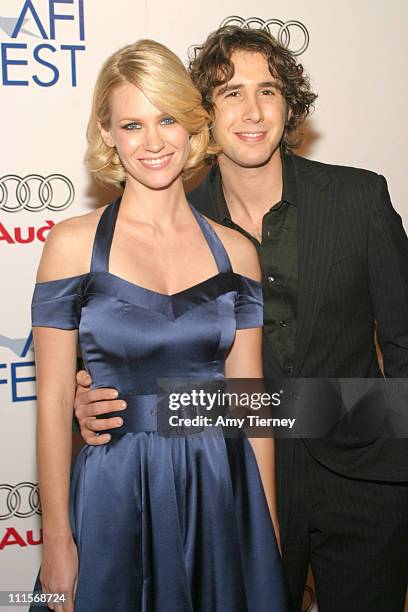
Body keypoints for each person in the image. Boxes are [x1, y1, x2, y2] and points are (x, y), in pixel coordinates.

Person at [74, 26, 408, 612]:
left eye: (269, 91)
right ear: (200, 112)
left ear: (290, 105)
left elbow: (405, 344)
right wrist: (95, 399)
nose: (252, 111)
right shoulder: (176, 220)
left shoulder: (359, 198)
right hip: (233, 489)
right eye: (230, 93)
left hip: (364, 482)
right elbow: (128, 352)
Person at [29, 39, 291, 611]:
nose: (152, 142)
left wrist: (264, 530)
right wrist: (56, 540)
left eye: (167, 118)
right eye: (132, 123)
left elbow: (251, 403)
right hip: (115, 489)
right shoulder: (71, 246)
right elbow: (51, 402)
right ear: (107, 134)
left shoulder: (236, 254)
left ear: (193, 125)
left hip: (221, 486)